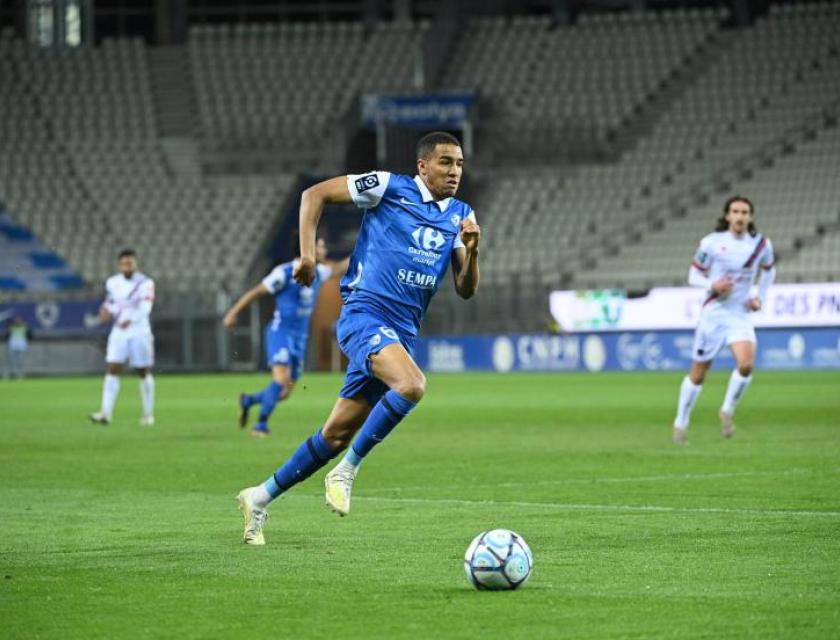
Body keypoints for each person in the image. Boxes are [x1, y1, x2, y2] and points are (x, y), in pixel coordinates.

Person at [236, 131, 481, 545]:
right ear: (422, 166)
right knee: (412, 384)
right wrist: (308, 256)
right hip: (363, 315)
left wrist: (472, 251)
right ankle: (346, 471)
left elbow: (466, 288)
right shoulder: (389, 187)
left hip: (400, 333)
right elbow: (313, 195)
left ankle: (258, 498)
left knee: (333, 435)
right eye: (445, 162)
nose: (454, 171)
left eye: (458, 163)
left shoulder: (461, 214)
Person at [672, 196, 775, 444]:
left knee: (746, 364)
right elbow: (693, 274)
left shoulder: (761, 245)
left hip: (739, 313)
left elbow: (770, 269)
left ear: (750, 217)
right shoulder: (712, 243)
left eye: (744, 212)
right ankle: (681, 421)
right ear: (727, 216)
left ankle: (727, 409)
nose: (740, 216)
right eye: (735, 211)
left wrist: (759, 297)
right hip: (714, 313)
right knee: (698, 374)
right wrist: (712, 285)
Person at [223, 236, 349, 437]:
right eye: (321, 246)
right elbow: (256, 292)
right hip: (280, 332)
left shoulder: (319, 272)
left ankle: (249, 401)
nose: (325, 250)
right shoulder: (284, 273)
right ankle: (260, 426)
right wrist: (232, 313)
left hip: (300, 338)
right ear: (308, 248)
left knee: (284, 392)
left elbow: (339, 268)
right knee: (281, 380)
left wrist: (366, 245)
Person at [89, 249, 156, 426]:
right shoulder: (112, 282)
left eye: (130, 263)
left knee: (142, 371)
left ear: (136, 264)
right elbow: (111, 303)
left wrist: (131, 319)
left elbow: (146, 307)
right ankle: (105, 413)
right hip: (119, 332)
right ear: (119, 265)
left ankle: (148, 414)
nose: (127, 266)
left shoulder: (145, 283)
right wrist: (105, 311)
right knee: (112, 368)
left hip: (139, 331)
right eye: (124, 263)